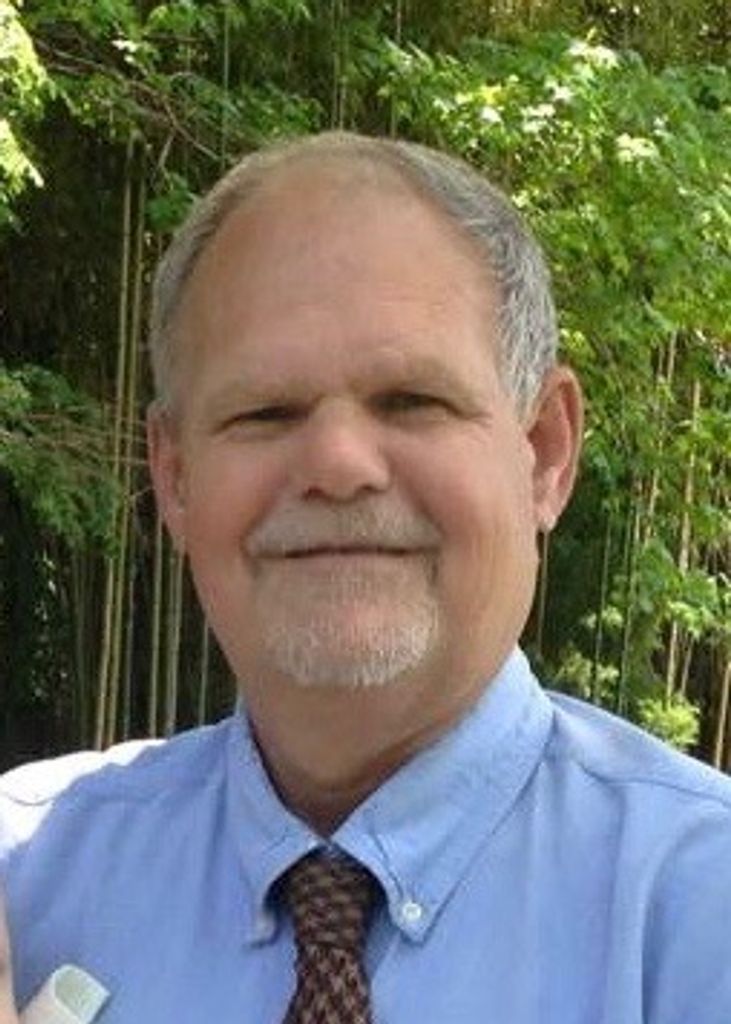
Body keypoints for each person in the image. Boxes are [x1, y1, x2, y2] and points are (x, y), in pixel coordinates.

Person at [1, 132, 730, 1023]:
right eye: (265, 411)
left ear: (543, 452)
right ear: (176, 477)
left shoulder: (700, 914)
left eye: (411, 401)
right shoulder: (25, 878)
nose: (337, 464)